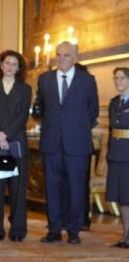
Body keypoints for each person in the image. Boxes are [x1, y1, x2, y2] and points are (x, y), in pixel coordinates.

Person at [36, 41, 99, 244]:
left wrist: (74, 129)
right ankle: (54, 229)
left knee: (76, 187)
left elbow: (93, 112)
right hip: (51, 142)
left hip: (77, 144)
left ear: (75, 58)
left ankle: (74, 230)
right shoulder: (44, 79)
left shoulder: (88, 80)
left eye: (66, 55)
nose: (61, 59)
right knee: (52, 187)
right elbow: (41, 109)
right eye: (59, 55)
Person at [0, 50, 32, 241]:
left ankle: (18, 231)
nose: (10, 66)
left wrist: (6, 135)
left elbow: (22, 117)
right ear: (0, 65)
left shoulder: (25, 89)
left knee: (18, 191)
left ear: (19, 68)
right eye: (7, 63)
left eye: (14, 64)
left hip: (16, 145)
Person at [107, 67, 129, 248]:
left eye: (121, 78)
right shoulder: (115, 102)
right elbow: (110, 130)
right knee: (122, 196)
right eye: (116, 79)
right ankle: (125, 234)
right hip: (116, 154)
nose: (118, 82)